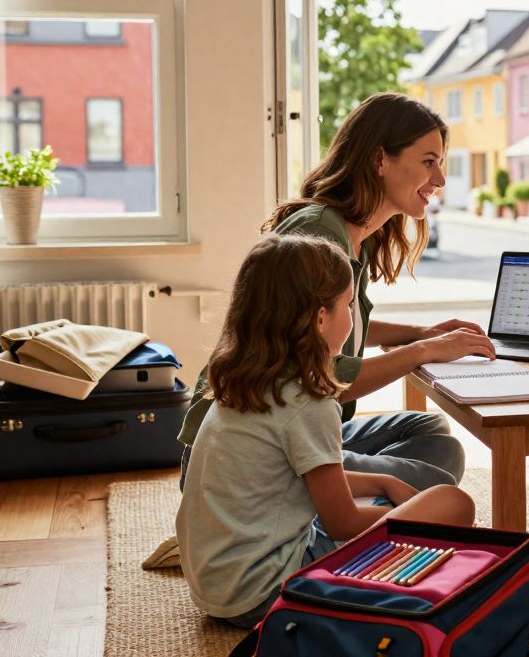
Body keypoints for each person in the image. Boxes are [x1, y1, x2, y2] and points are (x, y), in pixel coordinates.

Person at [177, 92, 496, 492]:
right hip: (255, 451)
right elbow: (309, 370)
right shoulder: (319, 233)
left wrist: (417, 334)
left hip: (307, 427)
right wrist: (423, 351)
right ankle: (303, 524)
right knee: (435, 481)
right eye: (429, 162)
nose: (440, 180)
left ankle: (337, 510)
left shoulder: (355, 233)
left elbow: (338, 326)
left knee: (431, 434)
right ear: (380, 160)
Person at [177, 233, 475, 627]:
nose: (353, 316)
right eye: (349, 304)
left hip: (216, 588)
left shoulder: (242, 381)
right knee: (453, 503)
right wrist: (403, 510)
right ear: (320, 318)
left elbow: (305, 479)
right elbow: (342, 523)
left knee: (391, 504)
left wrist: (384, 484)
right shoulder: (306, 402)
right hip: (266, 594)